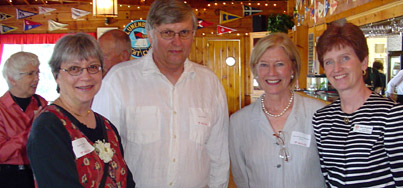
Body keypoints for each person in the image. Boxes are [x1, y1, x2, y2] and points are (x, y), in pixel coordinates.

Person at [92, 0, 230, 187]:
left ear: (193, 34)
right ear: (150, 34)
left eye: (184, 33)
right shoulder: (119, 81)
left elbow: (219, 154)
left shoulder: (209, 83)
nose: (177, 42)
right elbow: (102, 153)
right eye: (167, 33)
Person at [27, 33, 135, 188]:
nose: (85, 76)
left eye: (92, 67)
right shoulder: (48, 128)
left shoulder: (107, 126)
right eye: (74, 69)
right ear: (56, 75)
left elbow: (127, 182)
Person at [229, 33, 326, 188]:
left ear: (293, 67)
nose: (272, 72)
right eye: (264, 65)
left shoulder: (319, 114)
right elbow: (241, 177)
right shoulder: (238, 122)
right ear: (255, 70)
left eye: (280, 64)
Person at [313, 21, 403, 187]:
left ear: (363, 62)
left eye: (345, 58)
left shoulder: (392, 115)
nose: (336, 68)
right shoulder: (321, 119)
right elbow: (328, 178)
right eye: (329, 61)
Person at [0, 52, 47, 188]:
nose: (37, 79)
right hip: (9, 178)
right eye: (30, 74)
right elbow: (2, 154)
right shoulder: (1, 109)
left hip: (38, 173)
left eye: (37, 73)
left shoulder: (41, 103)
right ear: (12, 79)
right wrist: (32, 130)